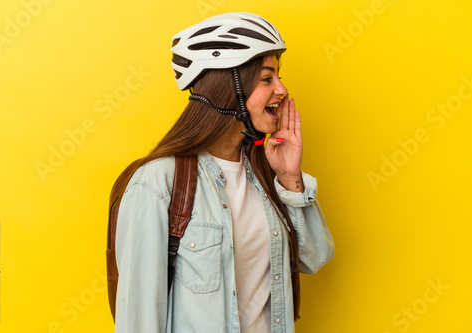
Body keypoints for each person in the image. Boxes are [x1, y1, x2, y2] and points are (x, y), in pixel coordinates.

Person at [113, 12, 334, 333]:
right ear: (229, 88)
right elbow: (139, 319)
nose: (282, 90)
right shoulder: (158, 183)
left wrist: (289, 178)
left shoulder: (263, 177)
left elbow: (315, 258)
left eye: (279, 77)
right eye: (267, 78)